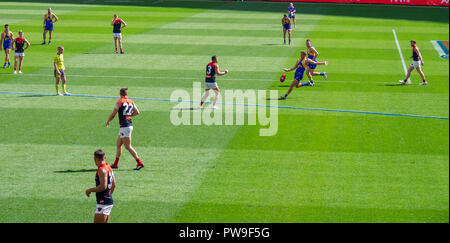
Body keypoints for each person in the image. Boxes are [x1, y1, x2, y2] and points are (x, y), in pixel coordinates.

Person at [106, 88, 144, 170]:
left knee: (128, 146)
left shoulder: (119, 101)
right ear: (126, 94)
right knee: (119, 144)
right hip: (128, 125)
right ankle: (116, 164)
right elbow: (137, 112)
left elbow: (113, 114)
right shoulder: (131, 101)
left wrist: (108, 121)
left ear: (120, 94)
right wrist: (128, 115)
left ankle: (139, 162)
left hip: (125, 126)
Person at [85, 149, 116, 223]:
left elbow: (103, 186)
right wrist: (108, 195)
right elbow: (114, 185)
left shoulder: (102, 170)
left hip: (103, 203)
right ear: (104, 157)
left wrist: (89, 190)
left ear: (94, 159)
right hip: (108, 201)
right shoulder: (109, 168)